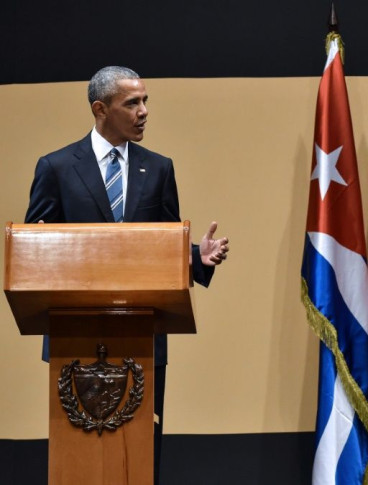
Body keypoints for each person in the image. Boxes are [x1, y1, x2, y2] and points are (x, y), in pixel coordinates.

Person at [24, 66, 229, 485]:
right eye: (132, 103)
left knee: (140, 461)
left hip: (143, 335)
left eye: (146, 101)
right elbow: (35, 249)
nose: (144, 111)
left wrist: (195, 258)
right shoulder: (58, 167)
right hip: (74, 336)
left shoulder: (158, 169)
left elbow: (159, 245)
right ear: (100, 109)